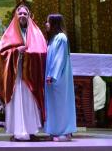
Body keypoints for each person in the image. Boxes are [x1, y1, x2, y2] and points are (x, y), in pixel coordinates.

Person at [0, 5, 47, 141]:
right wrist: (16, 51)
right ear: (16, 16)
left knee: (29, 102)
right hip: (16, 76)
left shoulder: (37, 33)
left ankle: (31, 131)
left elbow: (42, 52)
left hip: (30, 77)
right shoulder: (9, 33)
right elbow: (1, 53)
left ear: (29, 16)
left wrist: (30, 54)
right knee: (17, 101)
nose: (23, 16)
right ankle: (17, 131)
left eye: (25, 13)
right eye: (20, 14)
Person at [44, 13, 76, 142]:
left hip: (59, 78)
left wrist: (53, 75)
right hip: (52, 78)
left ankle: (65, 132)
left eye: (48, 22)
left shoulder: (61, 38)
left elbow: (60, 58)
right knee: (54, 105)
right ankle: (55, 130)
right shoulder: (53, 39)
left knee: (61, 104)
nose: (46, 24)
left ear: (54, 24)